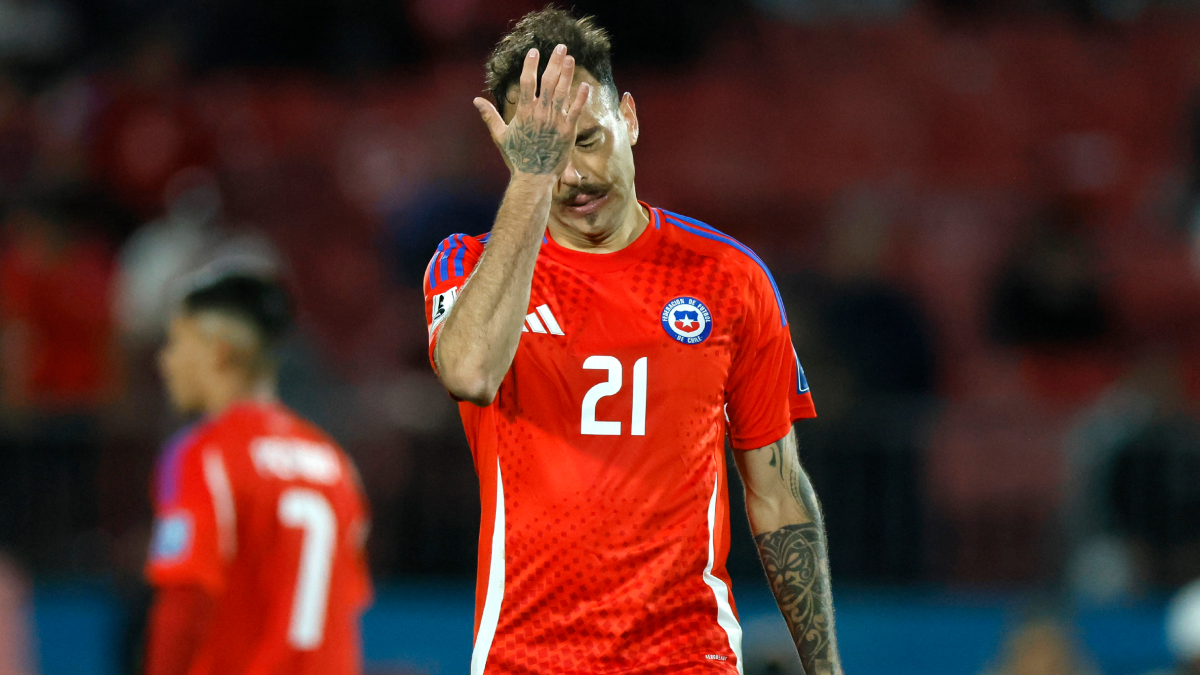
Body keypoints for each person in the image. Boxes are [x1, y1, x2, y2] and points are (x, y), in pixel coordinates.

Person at [423, 8, 841, 675]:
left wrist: (825, 669)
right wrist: (530, 181)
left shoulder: (730, 278)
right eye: (545, 153)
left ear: (631, 119)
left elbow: (779, 494)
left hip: (688, 656)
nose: (572, 176)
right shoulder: (467, 266)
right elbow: (469, 372)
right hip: (526, 659)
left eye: (587, 139)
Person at [145, 274, 371, 675]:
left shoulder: (205, 455)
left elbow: (185, 600)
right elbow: (344, 604)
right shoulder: (335, 463)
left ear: (218, 352)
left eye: (178, 343)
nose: (166, 361)